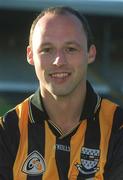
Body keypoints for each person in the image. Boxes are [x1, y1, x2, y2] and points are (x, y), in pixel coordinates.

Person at [0, 6, 123, 180]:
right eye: (47, 49)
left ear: (90, 53)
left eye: (71, 49)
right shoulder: (7, 131)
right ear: (30, 55)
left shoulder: (118, 127)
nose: (59, 61)